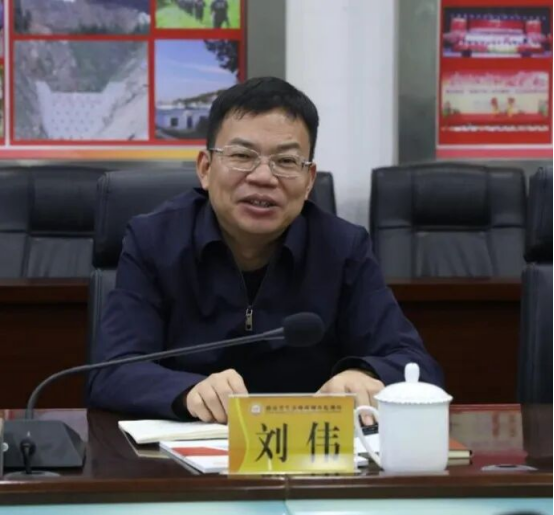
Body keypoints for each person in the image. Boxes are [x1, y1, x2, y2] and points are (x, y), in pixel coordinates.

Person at [88, 77, 443, 424]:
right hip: (186, 452)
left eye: (286, 162)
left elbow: (417, 366)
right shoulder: (155, 240)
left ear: (309, 180)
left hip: (309, 454)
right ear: (206, 168)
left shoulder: (343, 248)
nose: (262, 177)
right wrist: (187, 391)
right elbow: (111, 372)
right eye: (242, 156)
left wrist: (366, 375)